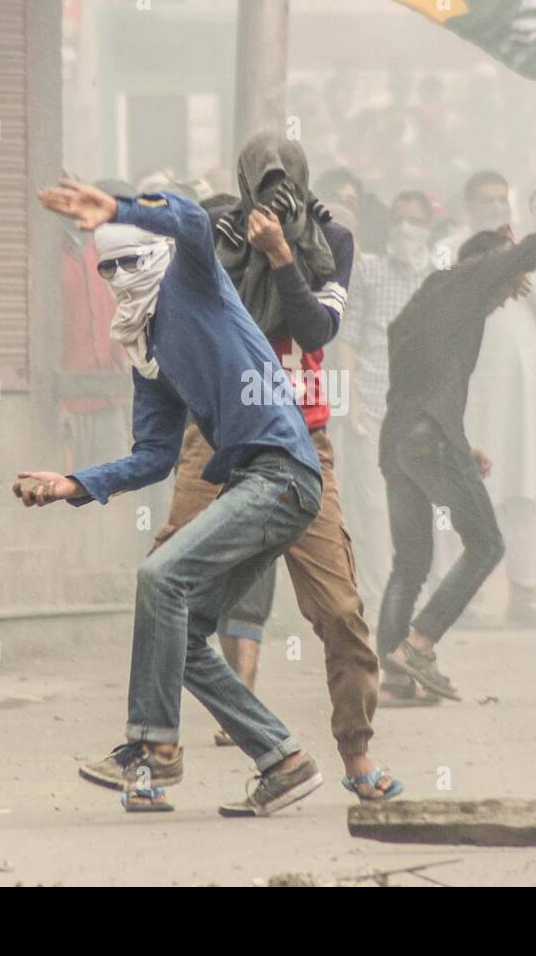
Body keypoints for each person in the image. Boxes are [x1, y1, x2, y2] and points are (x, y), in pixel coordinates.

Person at [17, 180, 323, 817]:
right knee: (179, 637)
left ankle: (152, 748)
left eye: (132, 259)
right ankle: (282, 759)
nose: (122, 275)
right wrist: (77, 483)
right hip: (254, 485)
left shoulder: (195, 284)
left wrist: (121, 207)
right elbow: (153, 455)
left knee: (160, 577)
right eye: (109, 268)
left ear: (156, 254)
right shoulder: (146, 349)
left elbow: (187, 217)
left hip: (282, 475)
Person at [146, 134, 400, 802]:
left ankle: (357, 754)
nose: (277, 195)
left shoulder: (330, 242)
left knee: (340, 609)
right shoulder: (216, 243)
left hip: (301, 445)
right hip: (218, 441)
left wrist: (283, 257)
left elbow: (315, 331)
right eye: (264, 182)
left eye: (288, 180)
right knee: (166, 592)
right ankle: (157, 750)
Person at [377, 228, 536, 703]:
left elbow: (421, 383)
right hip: (427, 436)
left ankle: (394, 675)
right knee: (487, 544)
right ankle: (418, 645)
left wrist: (460, 443)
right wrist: (511, 251)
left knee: (409, 563)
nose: (505, 298)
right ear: (485, 268)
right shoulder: (467, 278)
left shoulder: (432, 299)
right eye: (505, 285)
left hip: (399, 439)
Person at [458, 171, 536, 626]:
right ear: (468, 208)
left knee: (525, 495)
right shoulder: (451, 253)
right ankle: (462, 600)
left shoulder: (526, 256)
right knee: (466, 493)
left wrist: (518, 264)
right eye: (485, 202)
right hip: (470, 397)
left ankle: (523, 596)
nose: (494, 209)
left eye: (501, 201)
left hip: (522, 403)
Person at [338, 190, 436, 621]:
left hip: (420, 411)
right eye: (398, 219)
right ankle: (377, 595)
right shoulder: (369, 273)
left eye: (414, 220)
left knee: (416, 503)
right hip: (372, 404)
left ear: (428, 228)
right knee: (372, 505)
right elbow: (349, 338)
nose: (404, 228)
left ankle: (413, 596)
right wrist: (351, 398)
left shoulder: (440, 277)